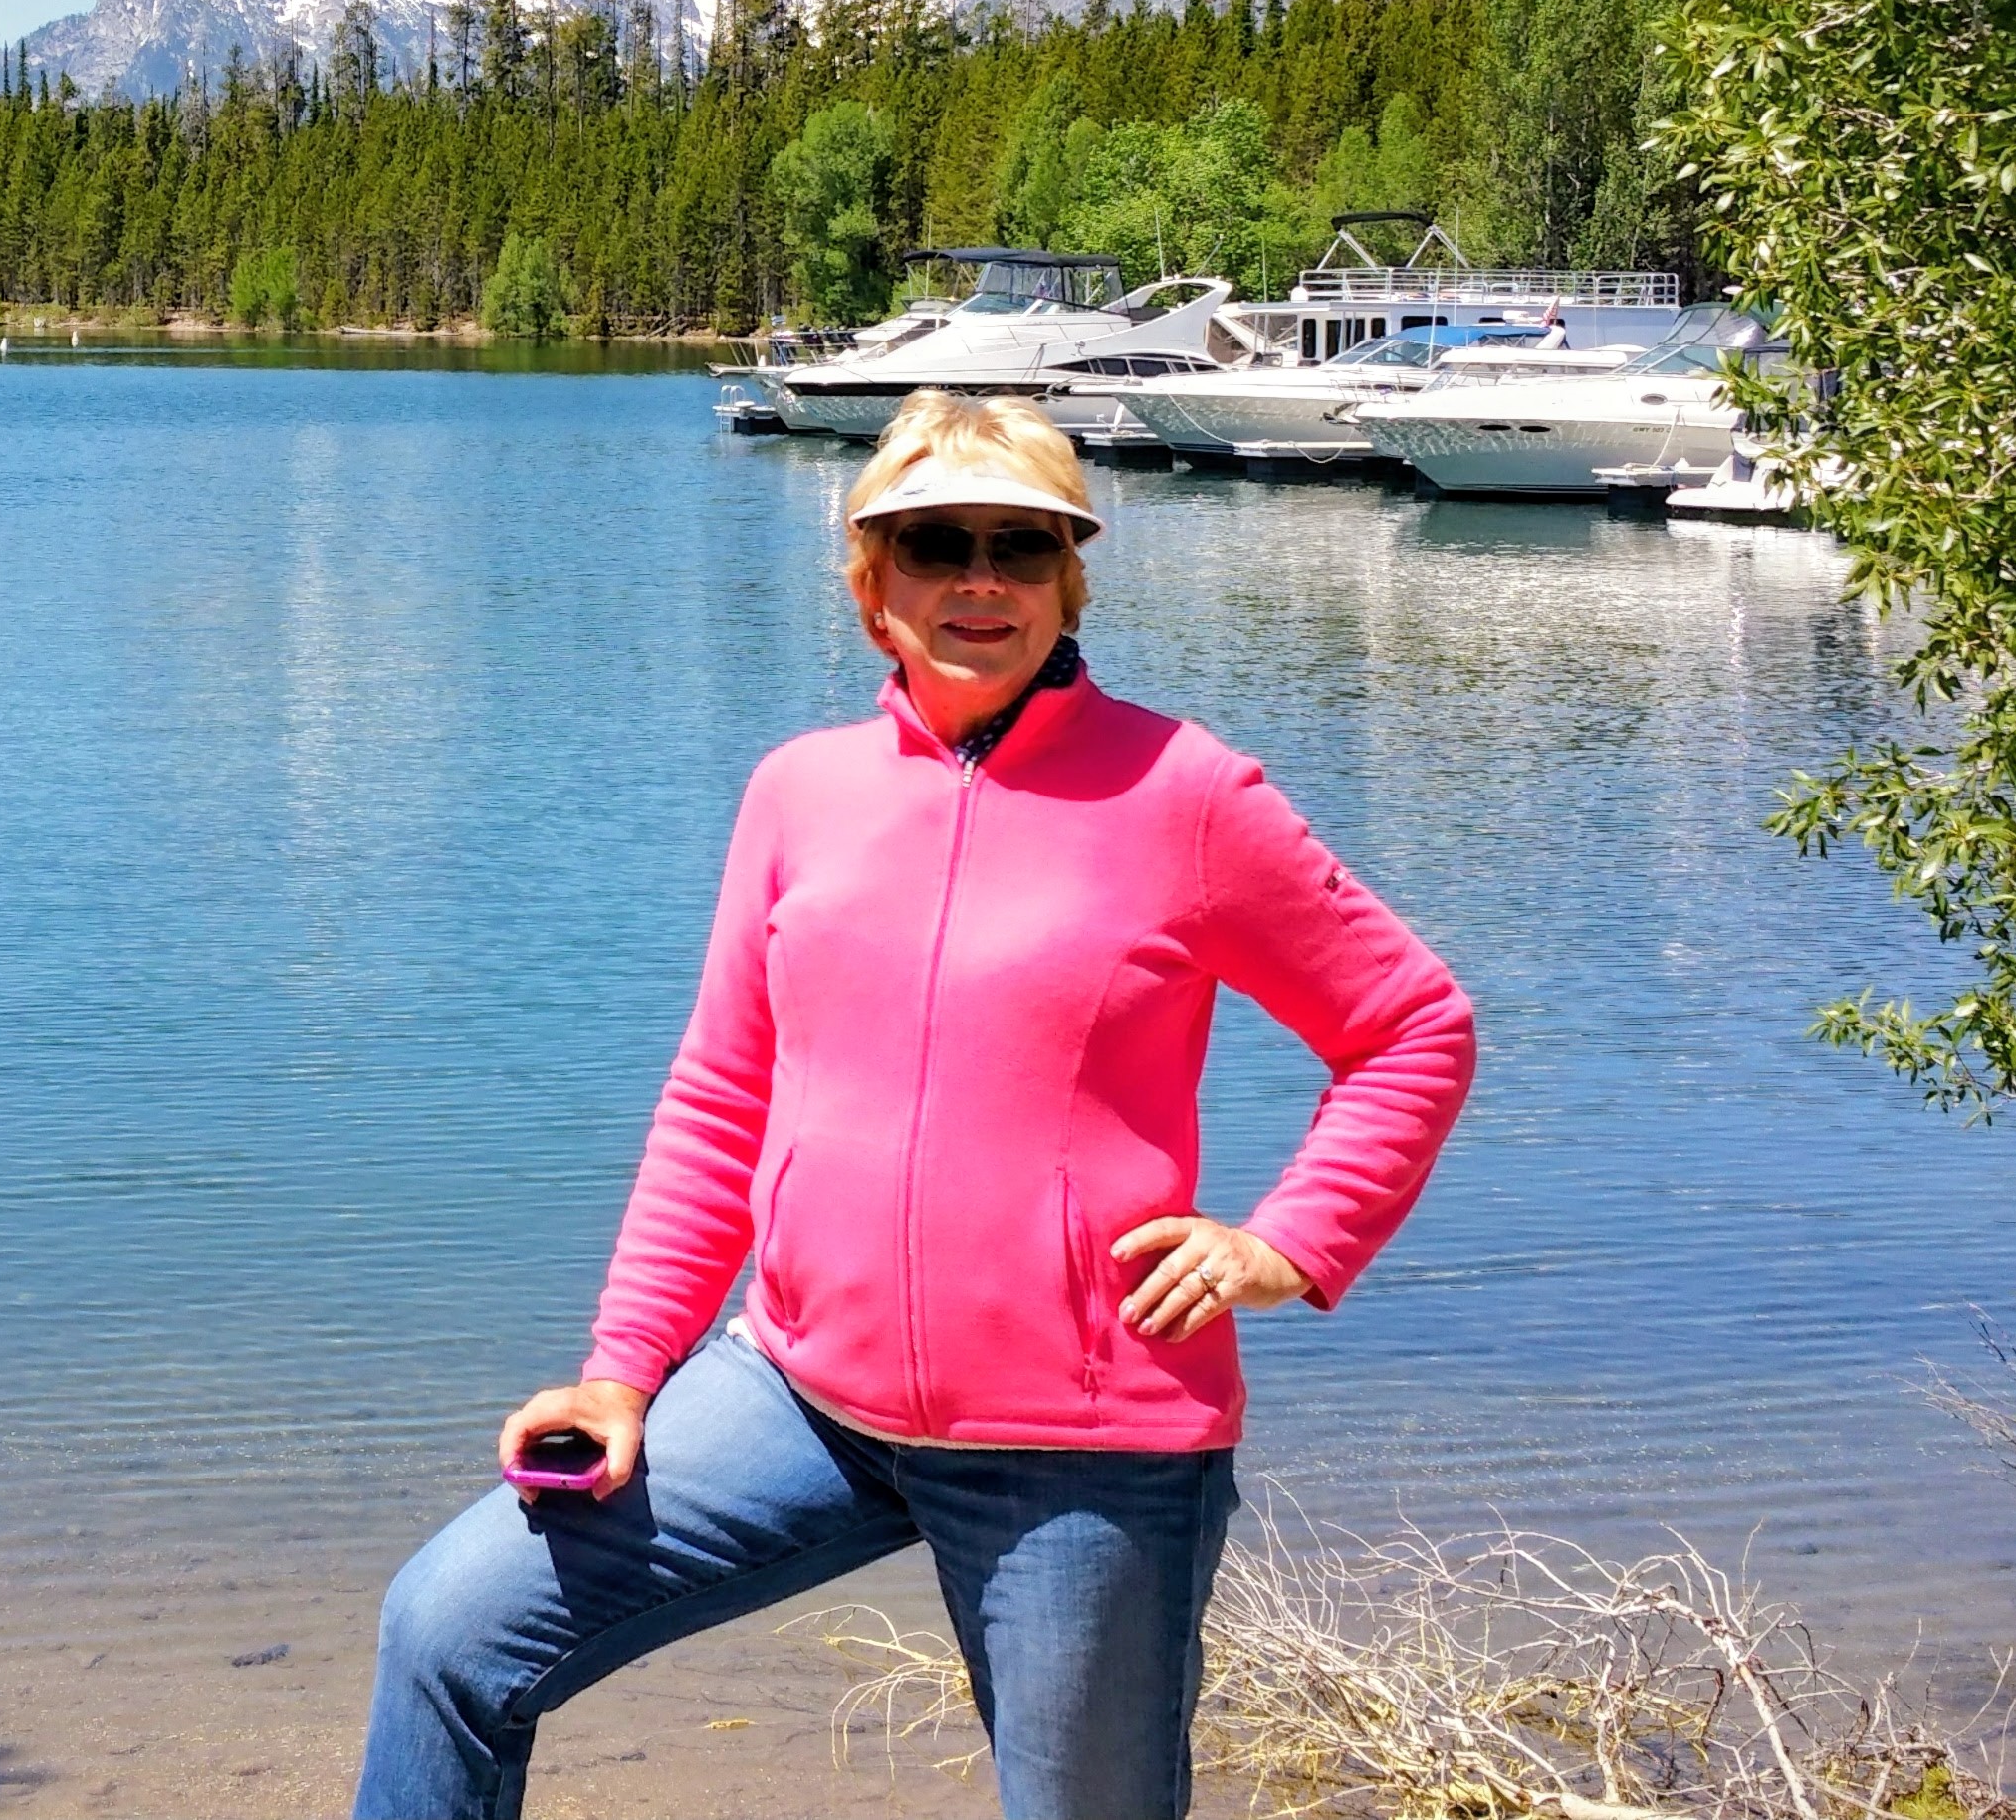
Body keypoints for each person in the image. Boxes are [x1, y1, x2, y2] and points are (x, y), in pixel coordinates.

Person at [357, 389, 1477, 1820]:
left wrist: (1290, 1240)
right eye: (934, 542)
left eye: (1021, 545)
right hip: (797, 1398)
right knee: (449, 1630)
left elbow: (1410, 1026)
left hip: (1081, 1449)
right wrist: (625, 1370)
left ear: (1074, 579)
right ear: (869, 582)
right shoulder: (797, 793)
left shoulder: (1186, 793)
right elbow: (718, 1100)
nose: (978, 580)